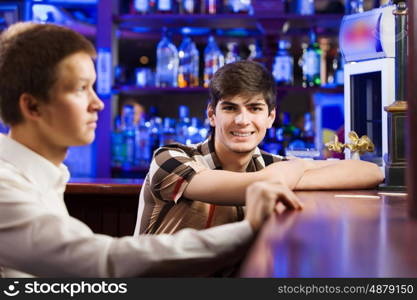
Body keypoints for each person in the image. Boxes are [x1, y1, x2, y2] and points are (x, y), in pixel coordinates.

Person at [0, 22, 303, 278]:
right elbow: (104, 262)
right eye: (81, 88)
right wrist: (249, 228)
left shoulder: (45, 176)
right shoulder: (4, 187)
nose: (99, 103)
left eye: (94, 87)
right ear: (32, 106)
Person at [134, 60, 384, 235]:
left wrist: (292, 170)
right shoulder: (169, 159)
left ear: (270, 117)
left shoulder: (272, 167)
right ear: (212, 115)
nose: (243, 120)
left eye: (254, 108)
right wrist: (301, 167)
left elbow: (371, 172)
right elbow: (258, 185)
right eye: (230, 108)